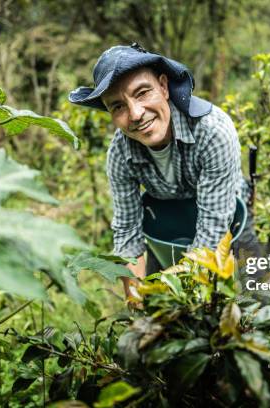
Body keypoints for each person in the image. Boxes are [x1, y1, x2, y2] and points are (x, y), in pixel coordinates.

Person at [69, 43, 256, 297]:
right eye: (118, 106)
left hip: (225, 217)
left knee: (250, 296)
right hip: (166, 227)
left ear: (164, 86)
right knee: (157, 306)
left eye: (143, 93)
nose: (135, 114)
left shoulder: (213, 132)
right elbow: (127, 230)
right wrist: (137, 296)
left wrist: (183, 289)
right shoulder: (120, 153)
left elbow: (213, 230)